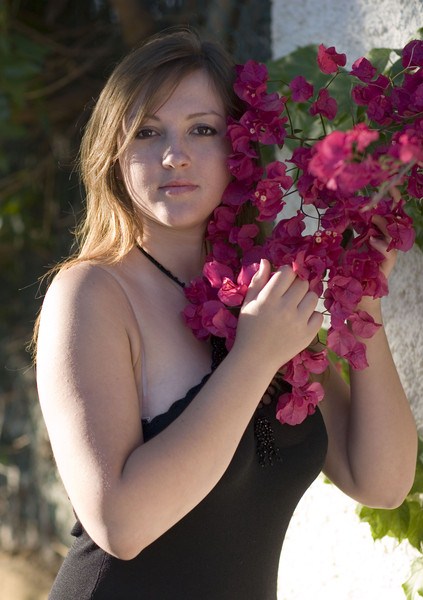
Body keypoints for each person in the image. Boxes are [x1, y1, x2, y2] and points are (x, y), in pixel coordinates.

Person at [35, 28, 417, 600]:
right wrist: (254, 358)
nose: (175, 155)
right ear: (113, 152)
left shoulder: (261, 294)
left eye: (203, 129)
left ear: (240, 145)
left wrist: (364, 298)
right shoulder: (91, 293)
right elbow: (120, 524)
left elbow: (381, 482)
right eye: (147, 132)